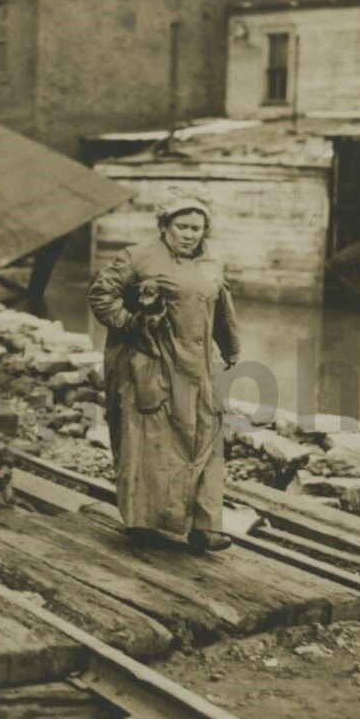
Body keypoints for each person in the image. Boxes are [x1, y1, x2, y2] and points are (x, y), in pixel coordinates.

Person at [88, 186, 240, 554]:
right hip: (151, 361)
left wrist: (231, 346)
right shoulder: (137, 257)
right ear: (164, 225)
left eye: (196, 228)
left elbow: (220, 305)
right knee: (150, 443)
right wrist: (130, 321)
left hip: (197, 364)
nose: (190, 234)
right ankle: (145, 522)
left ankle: (206, 526)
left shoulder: (211, 262)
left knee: (205, 434)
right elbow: (100, 295)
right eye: (182, 226)